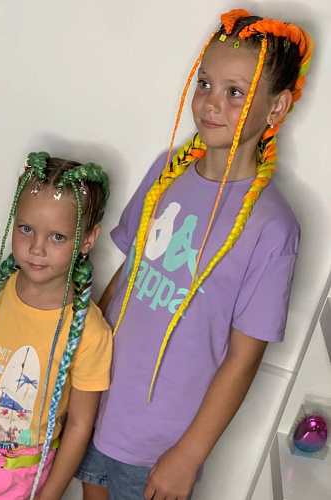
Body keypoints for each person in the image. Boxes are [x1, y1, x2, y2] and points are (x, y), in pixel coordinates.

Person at [75, 8, 313, 500]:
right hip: (93, 403)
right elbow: (126, 275)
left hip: (159, 447)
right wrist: (74, 360)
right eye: (205, 83)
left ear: (276, 107)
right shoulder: (167, 171)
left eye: (235, 92)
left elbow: (243, 359)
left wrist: (189, 454)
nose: (210, 103)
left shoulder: (272, 228)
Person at [0, 153, 112, 500]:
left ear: (88, 240)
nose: (37, 248)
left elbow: (79, 425)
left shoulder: (90, 333)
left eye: (57, 237)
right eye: (26, 229)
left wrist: (49, 495)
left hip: (19, 481)